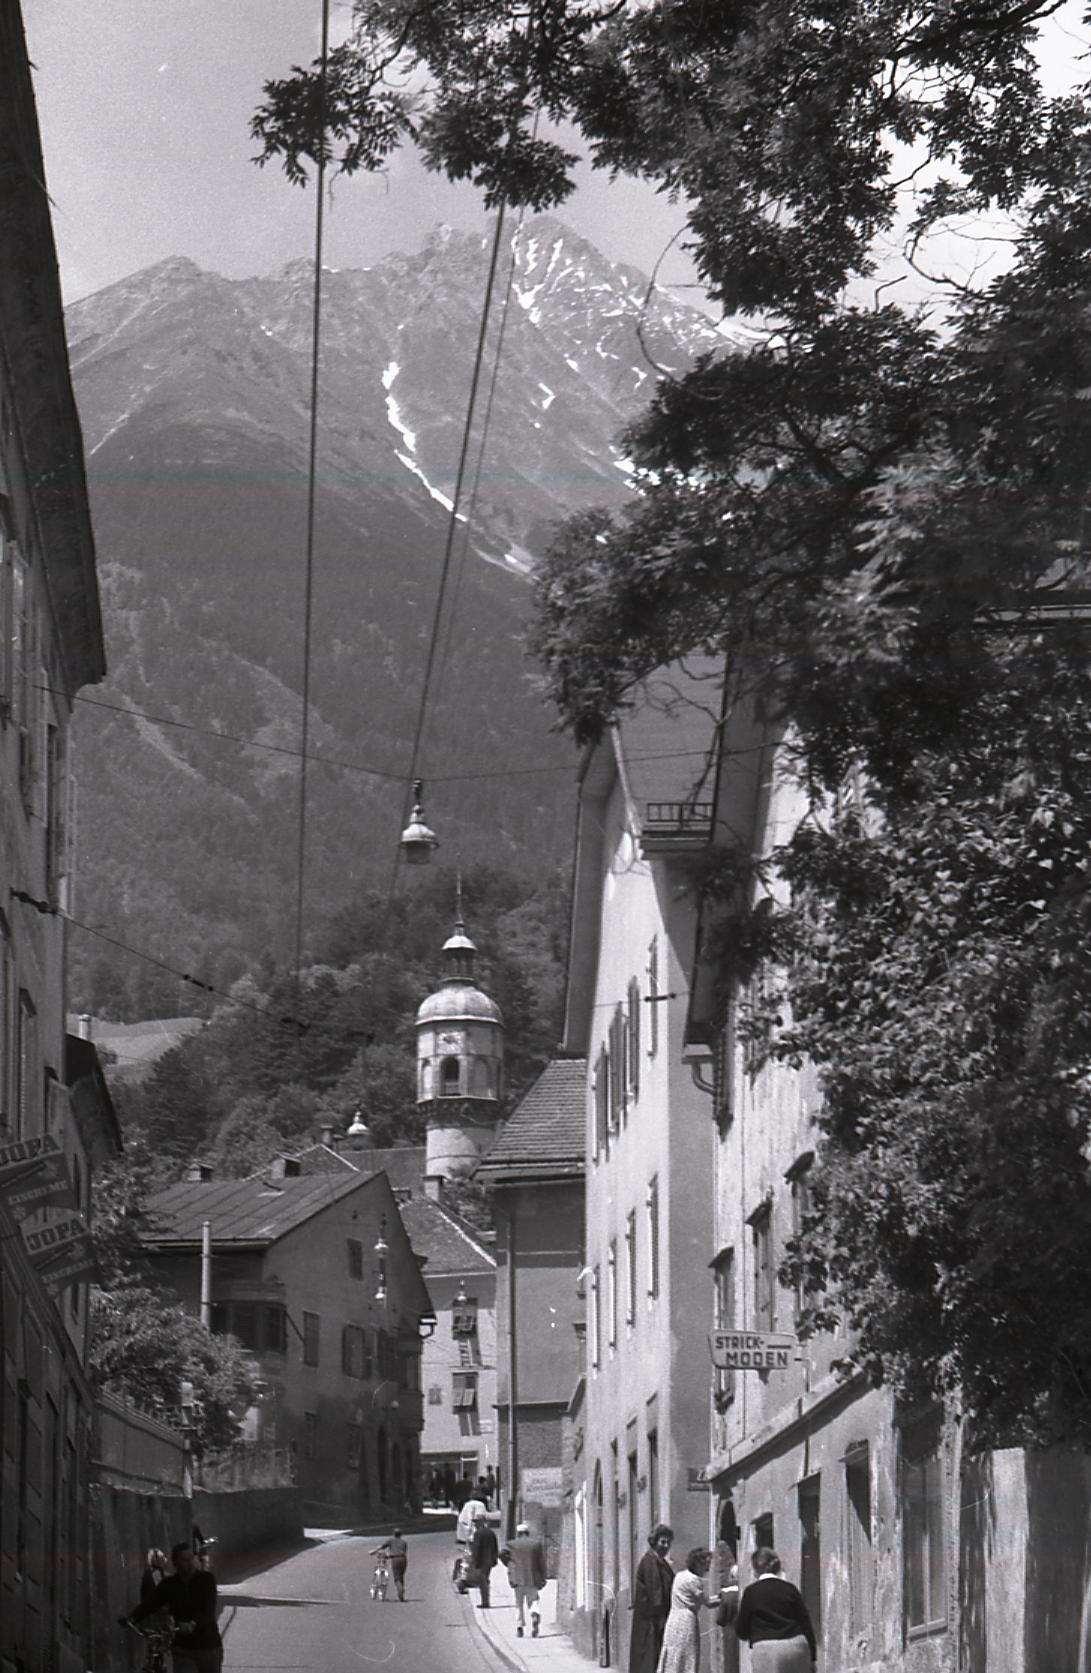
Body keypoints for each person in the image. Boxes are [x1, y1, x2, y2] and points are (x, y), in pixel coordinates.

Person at [122, 1542, 223, 1673]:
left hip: (208, 1646)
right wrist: (132, 1618)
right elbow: (150, 1604)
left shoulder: (206, 1579)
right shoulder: (169, 1584)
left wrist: (193, 1624)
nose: (190, 1563)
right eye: (185, 1560)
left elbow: (208, 1611)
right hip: (183, 1647)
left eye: (191, 1558)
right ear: (175, 1563)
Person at [734, 1548, 816, 1673]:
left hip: (766, 1649)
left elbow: (742, 1630)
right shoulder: (790, 1589)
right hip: (796, 1646)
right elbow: (805, 1623)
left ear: (755, 1568)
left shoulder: (751, 1592)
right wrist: (813, 1657)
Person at [656, 1547, 722, 1673]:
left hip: (674, 1618)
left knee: (673, 1654)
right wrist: (725, 1599)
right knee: (687, 1654)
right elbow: (708, 1603)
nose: (708, 1568)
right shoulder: (694, 1580)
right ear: (698, 1564)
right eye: (706, 1564)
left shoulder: (680, 1575)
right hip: (686, 1620)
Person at [629, 1524, 675, 1673]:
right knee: (649, 1657)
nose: (666, 1546)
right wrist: (661, 1617)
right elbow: (655, 1591)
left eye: (668, 1542)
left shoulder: (661, 1562)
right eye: (662, 1542)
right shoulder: (650, 1561)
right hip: (652, 1619)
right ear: (654, 1542)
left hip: (655, 1617)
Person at [502, 1519, 547, 1638]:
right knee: (533, 1600)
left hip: (517, 1578)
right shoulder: (536, 1544)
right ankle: (534, 1613)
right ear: (527, 1533)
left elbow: (502, 1554)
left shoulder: (511, 1544)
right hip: (533, 1577)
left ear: (518, 1533)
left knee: (519, 1603)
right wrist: (543, 1577)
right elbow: (541, 1562)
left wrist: (509, 1564)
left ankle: (519, 1627)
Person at [470, 1512, 499, 1608]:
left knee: (483, 1582)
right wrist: (494, 1560)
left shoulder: (478, 1534)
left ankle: (485, 1602)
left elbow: (476, 1549)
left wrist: (475, 1562)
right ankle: (485, 1600)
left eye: (476, 1522)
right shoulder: (491, 1532)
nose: (475, 1524)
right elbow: (495, 1548)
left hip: (481, 1561)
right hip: (489, 1561)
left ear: (481, 1522)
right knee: (485, 1580)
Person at [371, 1528, 409, 1601]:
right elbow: (403, 1551)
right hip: (403, 1559)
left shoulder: (391, 1541)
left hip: (395, 1560)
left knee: (397, 1577)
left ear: (393, 1534)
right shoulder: (404, 1542)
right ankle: (401, 1589)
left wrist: (373, 1551)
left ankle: (400, 1590)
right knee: (401, 1576)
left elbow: (382, 1547)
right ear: (401, 1535)